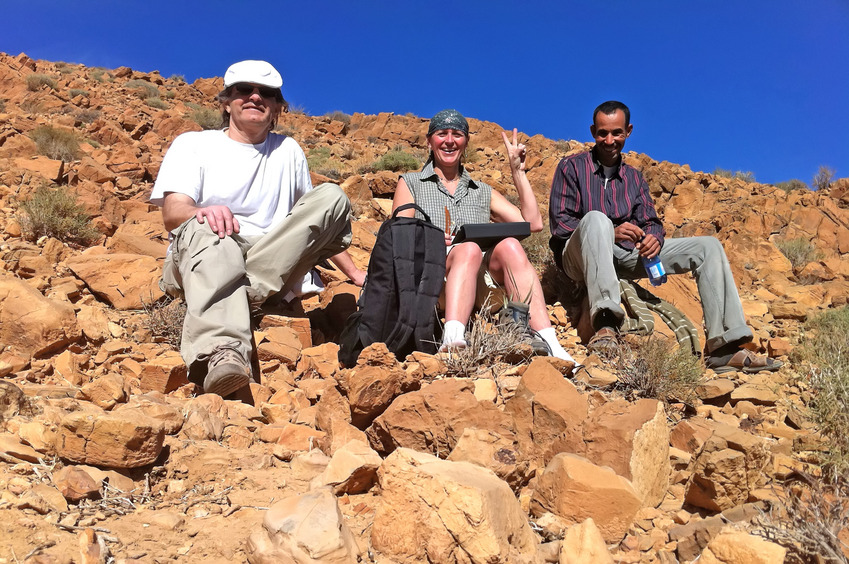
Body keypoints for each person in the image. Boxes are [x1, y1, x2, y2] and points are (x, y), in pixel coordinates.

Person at [150, 60, 365, 397]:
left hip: (263, 265)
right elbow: (174, 214)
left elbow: (307, 224)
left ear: (278, 106)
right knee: (209, 229)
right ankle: (223, 355)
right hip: (207, 249)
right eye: (243, 90)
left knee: (332, 197)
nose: (255, 97)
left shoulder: (288, 150)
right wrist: (203, 211)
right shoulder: (193, 144)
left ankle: (227, 296)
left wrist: (356, 274)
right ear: (226, 101)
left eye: (266, 92)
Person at [549, 100, 781, 373]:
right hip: (579, 259)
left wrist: (653, 238)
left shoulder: (634, 178)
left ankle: (723, 346)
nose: (609, 140)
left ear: (629, 131)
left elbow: (651, 220)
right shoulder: (572, 167)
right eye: (602, 133)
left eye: (617, 133)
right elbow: (561, 225)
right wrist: (609, 232)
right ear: (592, 131)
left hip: (622, 256)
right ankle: (606, 325)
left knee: (708, 247)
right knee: (597, 220)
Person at [392, 109, 575, 361]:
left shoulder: (481, 191)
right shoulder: (411, 182)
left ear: (465, 142)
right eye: (441, 134)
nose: (449, 140)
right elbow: (399, 235)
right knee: (467, 248)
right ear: (429, 141)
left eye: (457, 134)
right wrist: (429, 239)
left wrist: (518, 173)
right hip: (432, 282)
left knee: (510, 244)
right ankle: (453, 338)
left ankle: (551, 343)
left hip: (479, 284)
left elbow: (532, 224)